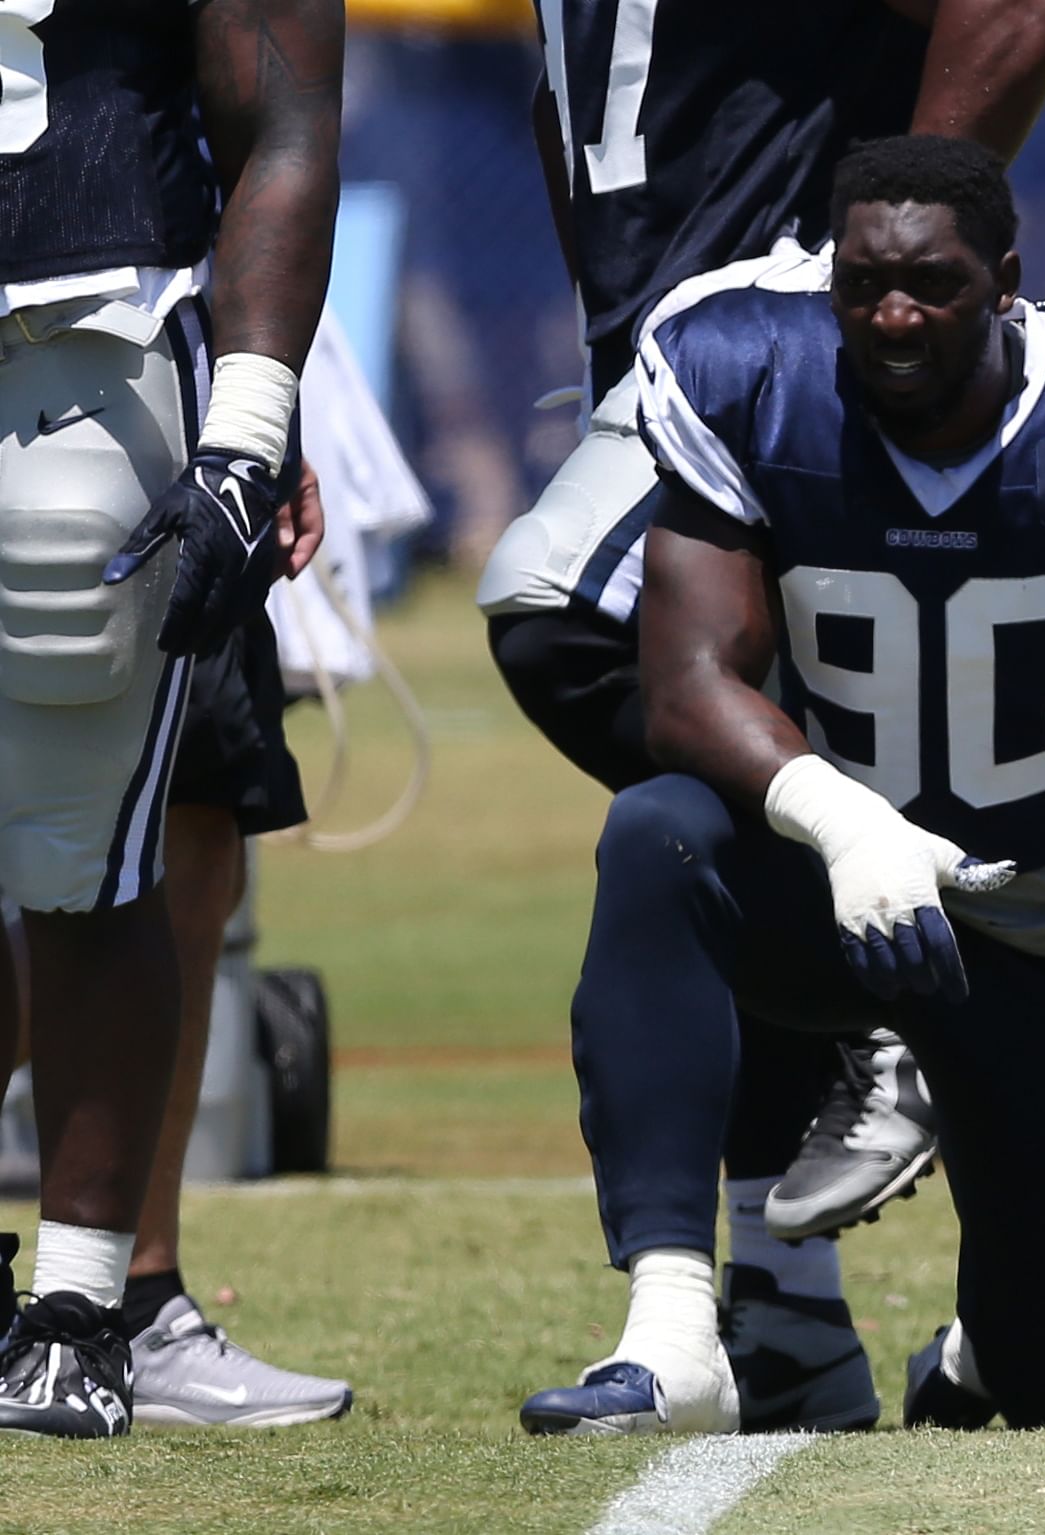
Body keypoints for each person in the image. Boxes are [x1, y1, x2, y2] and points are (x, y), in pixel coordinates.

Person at [518, 133, 1045, 1435]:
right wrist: (845, 824)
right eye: (863, 284)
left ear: (1004, 279)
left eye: (931, 286)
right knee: (660, 834)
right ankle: (672, 1336)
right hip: (844, 902)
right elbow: (685, 686)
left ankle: (982, 1348)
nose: (891, 316)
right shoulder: (747, 379)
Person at [473, 0, 1045, 1431]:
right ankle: (784, 1308)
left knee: (554, 603)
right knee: (708, 817)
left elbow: (1021, 9)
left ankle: (890, 1004)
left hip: (774, 324)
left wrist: (850, 276)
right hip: (658, 343)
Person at [0, 0, 341, 1438]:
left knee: (87, 851)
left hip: (90, 322)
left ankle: (83, 1304)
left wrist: (250, 428)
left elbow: (282, 117)